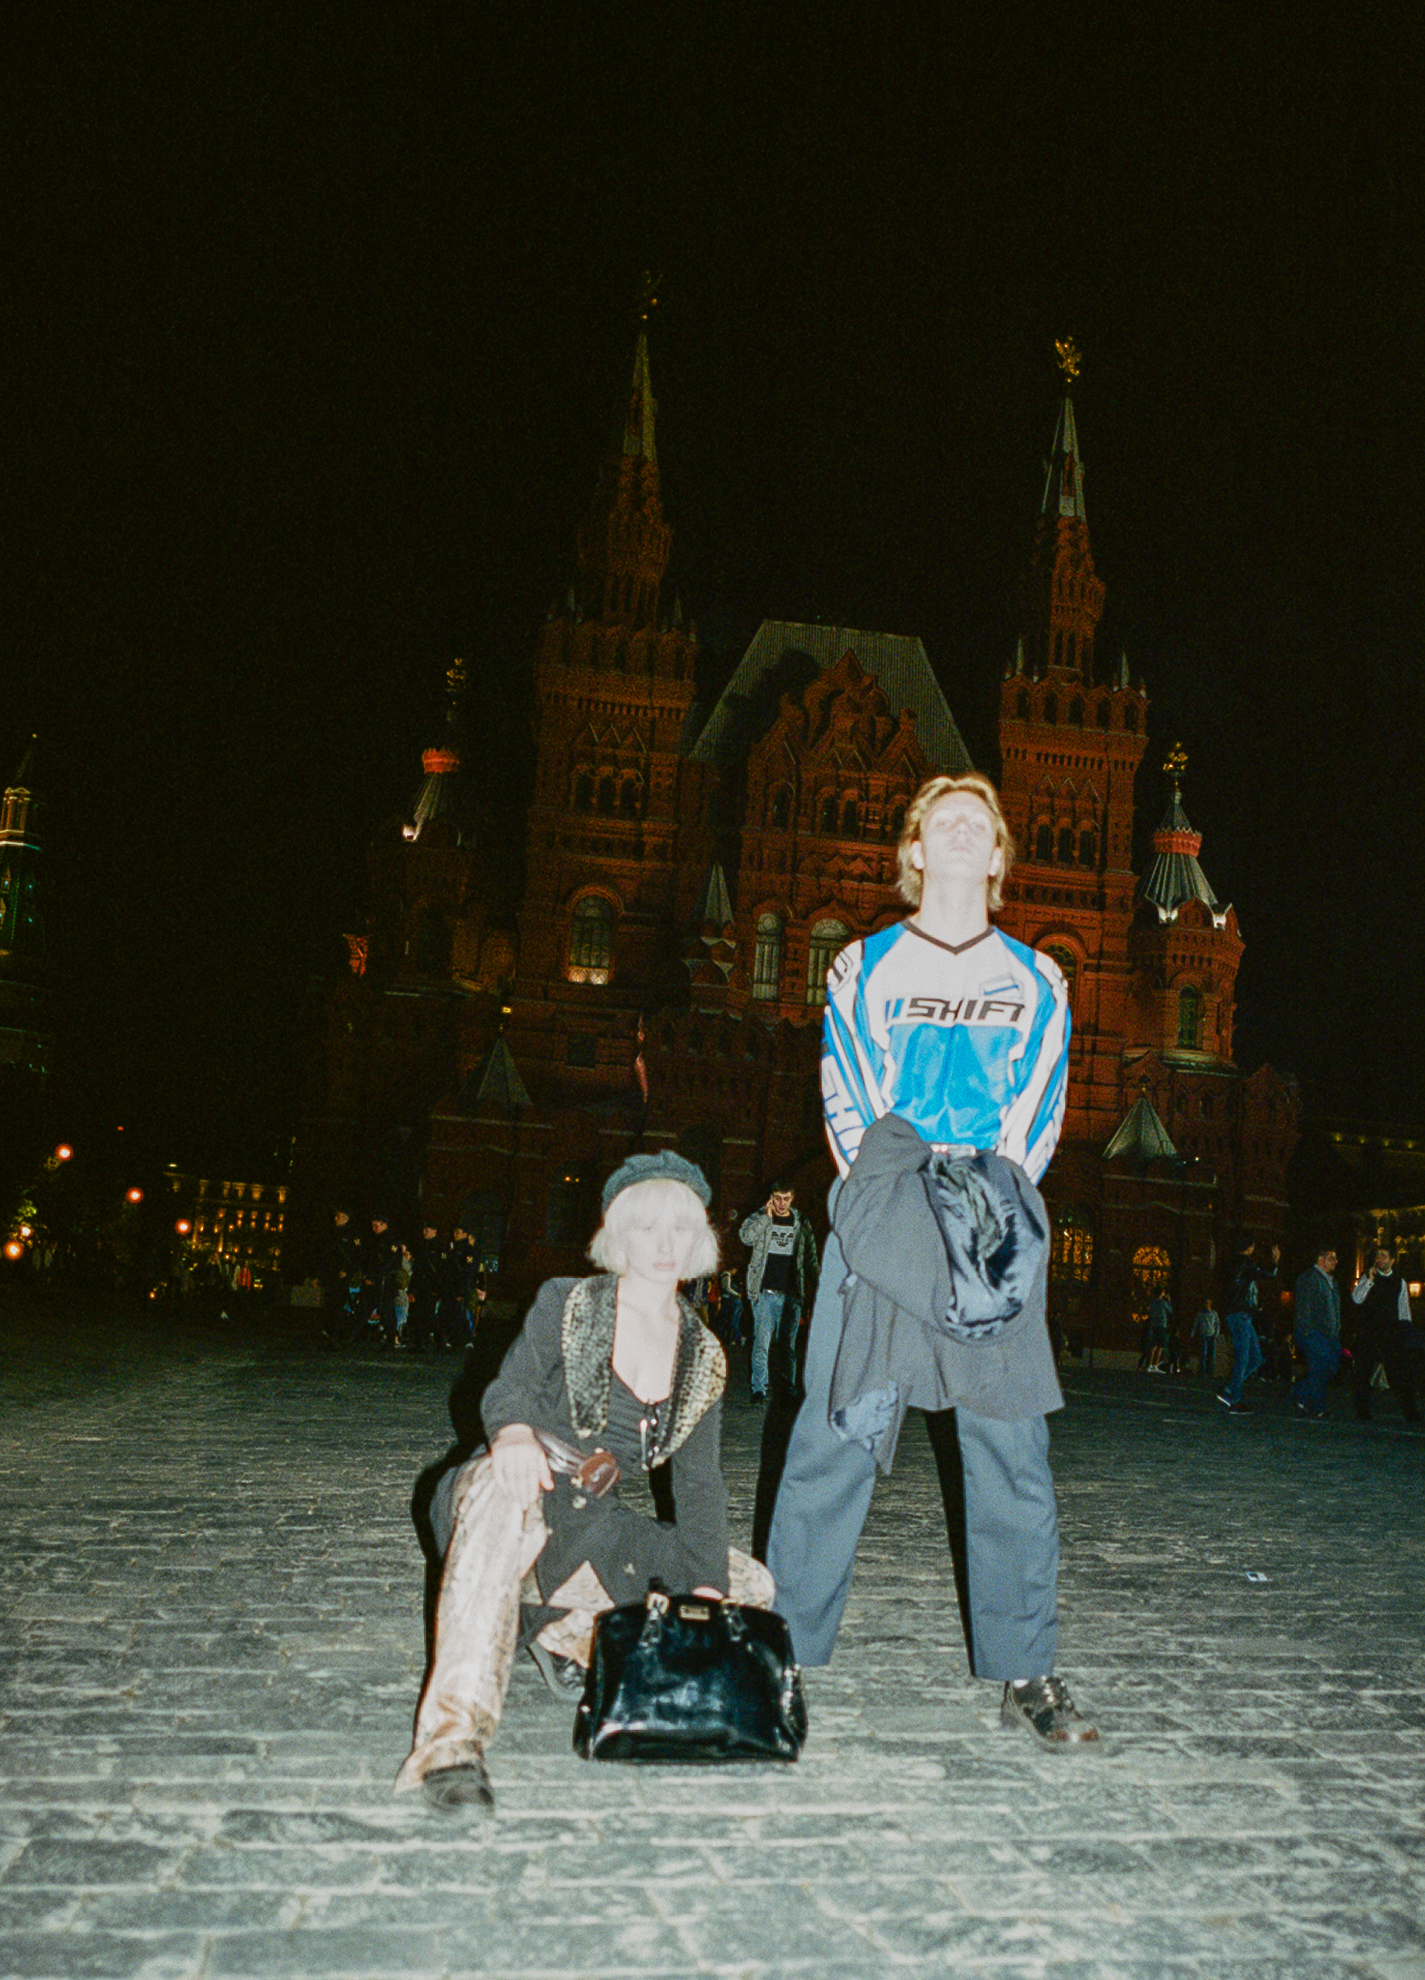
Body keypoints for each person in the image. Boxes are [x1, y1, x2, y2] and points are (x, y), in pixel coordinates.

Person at [766, 770, 1097, 1748]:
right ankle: (780, 1654)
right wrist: (896, 1212)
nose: (959, 831)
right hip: (885, 1214)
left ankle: (1025, 1669)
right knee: (835, 1439)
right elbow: (848, 1098)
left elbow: (1039, 1111)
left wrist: (987, 1216)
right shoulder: (861, 966)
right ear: (913, 851)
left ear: (997, 858)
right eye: (940, 820)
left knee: (1010, 1452)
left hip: (989, 1218)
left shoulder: (1039, 980)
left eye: (976, 823)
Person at [394, 1151, 775, 1811]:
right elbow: (510, 1387)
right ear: (618, 1233)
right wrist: (513, 1434)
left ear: (700, 1238)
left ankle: (559, 1628)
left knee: (748, 1587)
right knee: (505, 1495)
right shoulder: (569, 1302)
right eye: (646, 1227)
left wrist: (706, 1587)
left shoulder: (704, 1354)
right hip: (511, 1490)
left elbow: (700, 1486)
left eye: (679, 1228)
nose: (664, 1245)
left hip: (593, 1530)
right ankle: (450, 1747)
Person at [740, 1186, 819, 1402]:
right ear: (771, 1198)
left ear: (792, 1198)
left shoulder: (801, 1223)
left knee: (788, 1345)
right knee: (761, 1344)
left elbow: (810, 1257)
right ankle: (759, 1388)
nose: (782, 1203)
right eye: (777, 1198)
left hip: (791, 1295)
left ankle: (787, 1387)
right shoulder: (760, 1216)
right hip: (764, 1293)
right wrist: (766, 1218)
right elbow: (745, 1237)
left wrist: (819, 1284)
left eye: (786, 1199)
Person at [1349, 1244, 1423, 1424]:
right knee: (1363, 1372)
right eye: (1378, 1255)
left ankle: (1410, 1412)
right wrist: (1369, 1280)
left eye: (1383, 1255)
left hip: (1391, 1333)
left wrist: (1406, 1333)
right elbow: (1356, 1299)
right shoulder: (1368, 1278)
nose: (1379, 1259)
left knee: (1399, 1374)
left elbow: (1404, 1311)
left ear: (1392, 1260)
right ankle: (1362, 1411)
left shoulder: (1399, 1282)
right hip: (1369, 1332)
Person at [1217, 1235, 1280, 1415]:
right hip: (1240, 1314)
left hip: (1237, 1313)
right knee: (1244, 1358)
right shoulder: (1245, 1262)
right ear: (1249, 1248)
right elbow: (1268, 1274)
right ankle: (1234, 1400)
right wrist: (1275, 1261)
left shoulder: (1231, 1262)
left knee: (1255, 1358)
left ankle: (1229, 1389)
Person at [1291, 1243, 1341, 1419]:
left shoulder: (1331, 1281)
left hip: (1330, 1333)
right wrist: (1307, 1331)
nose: (1335, 1262)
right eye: (1331, 1258)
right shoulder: (1309, 1278)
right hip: (1314, 1331)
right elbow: (1304, 1307)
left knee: (1331, 1366)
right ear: (1321, 1259)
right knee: (1318, 1367)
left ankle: (1300, 1391)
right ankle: (1317, 1406)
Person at [322, 1209, 363, 1349]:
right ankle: (329, 1334)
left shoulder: (352, 1235)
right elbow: (326, 1255)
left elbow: (357, 1256)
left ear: (346, 1218)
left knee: (339, 1306)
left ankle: (337, 1336)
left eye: (339, 1216)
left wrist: (348, 1271)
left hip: (343, 1275)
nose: (336, 1218)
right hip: (331, 1274)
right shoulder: (331, 1233)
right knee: (329, 1304)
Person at [1191, 1297, 1220, 1383]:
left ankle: (1210, 1372)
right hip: (1203, 1335)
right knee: (1203, 1354)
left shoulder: (1214, 1313)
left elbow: (1217, 1324)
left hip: (1211, 1335)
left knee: (1211, 1354)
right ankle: (1202, 1372)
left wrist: (1216, 1334)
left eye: (1208, 1303)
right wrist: (1192, 1333)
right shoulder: (1200, 1314)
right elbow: (1196, 1323)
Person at [1145, 1287, 1171, 1372]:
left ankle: (1150, 1365)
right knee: (1160, 1346)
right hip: (1162, 1325)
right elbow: (1170, 1311)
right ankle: (1155, 1365)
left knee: (1154, 1345)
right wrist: (1169, 1301)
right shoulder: (1163, 1303)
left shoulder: (1153, 1303)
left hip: (1154, 1325)